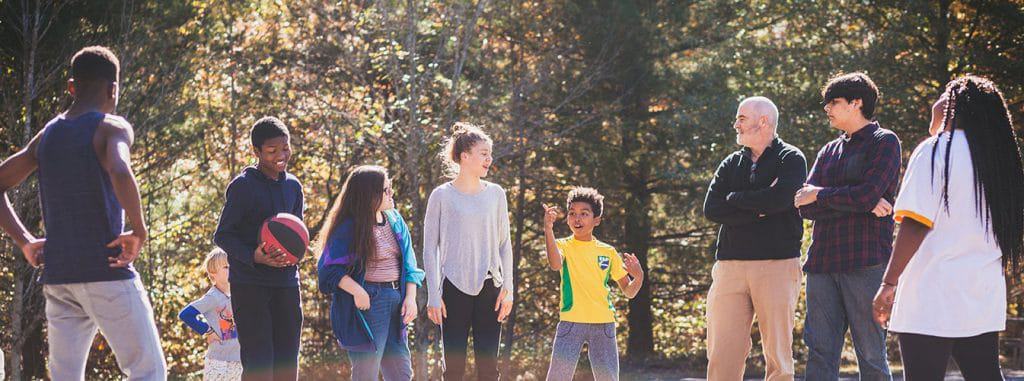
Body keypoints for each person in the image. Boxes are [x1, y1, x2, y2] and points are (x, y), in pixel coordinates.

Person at [0, 46, 166, 380]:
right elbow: (120, 169)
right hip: (106, 271)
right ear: (113, 89)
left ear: (71, 87)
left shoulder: (47, 136)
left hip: (60, 277)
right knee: (148, 371)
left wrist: (26, 241)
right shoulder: (111, 127)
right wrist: (138, 230)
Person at [873, 76, 1023, 380]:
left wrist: (889, 283)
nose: (937, 101)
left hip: (932, 294)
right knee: (985, 375)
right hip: (981, 294)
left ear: (953, 106)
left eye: (943, 94)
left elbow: (916, 223)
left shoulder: (936, 150)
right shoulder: (999, 162)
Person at [794, 72, 899, 381]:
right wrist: (860, 203)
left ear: (857, 103)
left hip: (865, 262)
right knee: (820, 352)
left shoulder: (885, 142)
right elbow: (803, 205)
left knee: (870, 353)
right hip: (822, 264)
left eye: (834, 102)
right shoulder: (828, 150)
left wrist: (823, 195)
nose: (826, 107)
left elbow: (862, 194)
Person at [702, 97, 806, 380]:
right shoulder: (730, 163)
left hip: (777, 265)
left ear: (763, 121)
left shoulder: (791, 158)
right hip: (729, 267)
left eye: (741, 118)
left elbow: (782, 199)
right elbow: (712, 209)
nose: (735, 124)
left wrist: (736, 200)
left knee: (778, 356)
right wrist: (759, 209)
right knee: (722, 353)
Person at [214, 116, 304, 380]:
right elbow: (223, 235)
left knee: (287, 366)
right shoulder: (243, 186)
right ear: (256, 152)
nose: (281, 155)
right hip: (250, 285)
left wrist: (296, 254)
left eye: (285, 148)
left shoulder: (293, 186)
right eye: (272, 151)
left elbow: (298, 234)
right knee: (260, 365)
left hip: (287, 284)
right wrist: (254, 256)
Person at [422, 122, 514, 381]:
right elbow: (430, 249)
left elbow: (504, 244)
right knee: (453, 370)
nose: (489, 159)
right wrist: (433, 295)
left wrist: (508, 288)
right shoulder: (441, 196)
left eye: (490, 153)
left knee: (488, 370)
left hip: (490, 289)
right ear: (465, 156)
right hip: (452, 290)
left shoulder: (497, 194)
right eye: (484, 153)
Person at [316, 165, 424, 380]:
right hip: (369, 303)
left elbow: (410, 264)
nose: (391, 193)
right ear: (369, 194)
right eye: (385, 190)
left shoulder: (394, 220)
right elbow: (328, 270)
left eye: (390, 188)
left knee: (402, 373)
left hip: (397, 300)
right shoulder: (349, 228)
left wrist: (410, 299)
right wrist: (357, 291)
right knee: (366, 373)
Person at [542, 187, 643, 381]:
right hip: (571, 322)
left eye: (584, 214)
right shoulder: (562, 245)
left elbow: (629, 292)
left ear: (596, 220)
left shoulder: (608, 252)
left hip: (603, 324)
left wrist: (638, 277)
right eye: (572, 214)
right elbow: (555, 264)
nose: (577, 218)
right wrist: (548, 229)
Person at [179, 248, 242, 380]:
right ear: (213, 273)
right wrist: (207, 331)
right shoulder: (213, 297)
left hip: (239, 360)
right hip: (218, 362)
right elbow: (186, 314)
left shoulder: (237, 294)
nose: (231, 269)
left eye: (232, 266)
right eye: (226, 267)